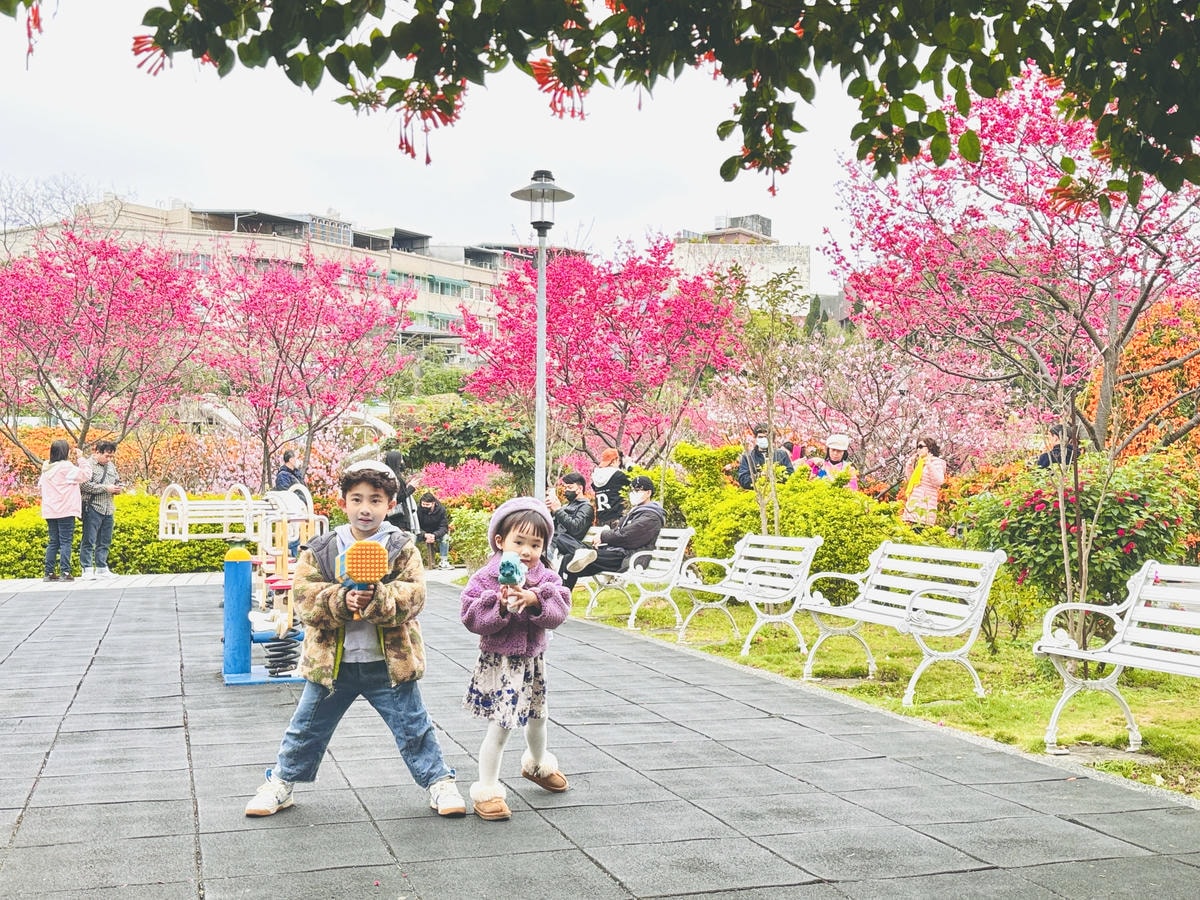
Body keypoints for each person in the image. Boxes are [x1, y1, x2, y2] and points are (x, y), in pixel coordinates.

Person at [244, 460, 466, 819]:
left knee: (414, 727)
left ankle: (439, 781)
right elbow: (303, 598)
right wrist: (340, 600)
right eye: (357, 499)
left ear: (390, 505)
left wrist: (378, 598)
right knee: (305, 729)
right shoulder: (322, 548)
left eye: (375, 500)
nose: (366, 508)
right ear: (343, 502)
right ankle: (281, 782)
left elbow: (415, 596)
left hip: (388, 663)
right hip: (332, 664)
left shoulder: (401, 547)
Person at [459, 497, 572, 821]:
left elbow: (560, 610)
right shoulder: (486, 577)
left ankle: (537, 764)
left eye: (535, 544)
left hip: (533, 661)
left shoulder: (546, 577)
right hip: (502, 662)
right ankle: (487, 789)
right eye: (519, 542)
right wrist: (499, 604)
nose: (526, 551)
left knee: (539, 717)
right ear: (500, 541)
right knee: (501, 726)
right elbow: (469, 616)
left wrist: (535, 599)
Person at [562, 475, 666, 591]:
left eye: (637, 490)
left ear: (648, 493)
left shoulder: (651, 517)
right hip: (614, 552)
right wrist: (604, 536)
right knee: (568, 556)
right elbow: (619, 532)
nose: (633, 493)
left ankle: (559, 598)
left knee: (571, 558)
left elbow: (627, 537)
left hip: (625, 557)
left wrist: (603, 536)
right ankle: (560, 597)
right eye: (632, 490)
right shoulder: (636, 512)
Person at [37, 440, 92, 583]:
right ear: (65, 452)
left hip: (50, 511)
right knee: (66, 542)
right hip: (66, 510)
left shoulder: (46, 468)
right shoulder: (65, 467)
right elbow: (86, 475)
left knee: (53, 542)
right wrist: (81, 458)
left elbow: (40, 487)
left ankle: (49, 573)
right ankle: (65, 572)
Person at [79, 440, 122, 579]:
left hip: (108, 507)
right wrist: (105, 488)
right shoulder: (88, 465)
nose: (109, 459)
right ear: (97, 452)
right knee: (89, 539)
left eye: (111, 456)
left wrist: (118, 487)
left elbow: (117, 480)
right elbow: (84, 485)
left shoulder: (111, 466)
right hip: (93, 507)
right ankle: (87, 568)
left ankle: (102, 567)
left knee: (105, 540)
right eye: (106, 456)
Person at [544, 472, 595, 575]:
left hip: (563, 545)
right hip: (552, 542)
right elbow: (552, 527)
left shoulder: (586, 507)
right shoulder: (565, 507)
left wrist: (558, 510)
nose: (566, 490)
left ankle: (582, 550)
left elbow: (576, 528)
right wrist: (548, 512)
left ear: (579, 489)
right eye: (565, 487)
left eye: (570, 487)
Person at [901, 437, 946, 527]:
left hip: (925, 503)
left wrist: (929, 464)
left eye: (921, 446)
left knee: (921, 529)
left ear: (929, 447)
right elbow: (911, 480)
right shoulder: (920, 462)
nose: (918, 449)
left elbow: (939, 481)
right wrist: (909, 465)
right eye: (917, 447)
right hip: (914, 502)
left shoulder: (936, 462)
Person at [735, 423, 794, 489]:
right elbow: (743, 479)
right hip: (756, 493)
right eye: (760, 437)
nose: (763, 439)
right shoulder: (748, 457)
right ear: (755, 438)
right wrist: (760, 476)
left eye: (766, 437)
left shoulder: (781, 454)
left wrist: (776, 475)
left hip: (779, 491)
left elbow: (790, 474)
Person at [590, 447, 630, 527]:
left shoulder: (596, 476)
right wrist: (629, 464)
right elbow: (635, 480)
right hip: (616, 519)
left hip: (601, 520)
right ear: (614, 461)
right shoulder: (618, 475)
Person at [383, 449, 419, 532]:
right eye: (401, 460)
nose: (402, 462)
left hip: (389, 515)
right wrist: (411, 488)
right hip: (398, 516)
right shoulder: (395, 477)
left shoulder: (386, 476)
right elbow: (398, 497)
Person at [416, 491, 452, 569]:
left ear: (433, 503)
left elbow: (444, 527)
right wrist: (424, 534)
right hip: (421, 533)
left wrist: (434, 535)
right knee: (410, 538)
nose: (425, 506)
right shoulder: (417, 509)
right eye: (423, 504)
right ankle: (413, 563)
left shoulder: (441, 510)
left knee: (445, 538)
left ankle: (444, 561)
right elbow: (415, 526)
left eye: (427, 505)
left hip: (436, 533)